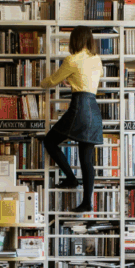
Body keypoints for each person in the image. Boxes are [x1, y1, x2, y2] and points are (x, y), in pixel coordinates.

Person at [40, 26, 103, 213]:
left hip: (80, 108)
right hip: (94, 108)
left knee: (50, 141)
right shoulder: (97, 59)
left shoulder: (71, 59)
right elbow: (89, 79)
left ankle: (71, 178)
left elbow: (52, 80)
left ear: (74, 40)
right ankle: (87, 202)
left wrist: (41, 84)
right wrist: (72, 80)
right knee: (86, 159)